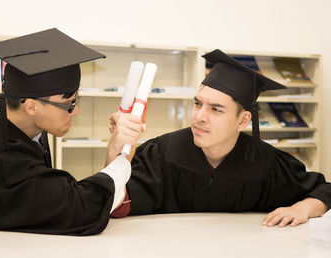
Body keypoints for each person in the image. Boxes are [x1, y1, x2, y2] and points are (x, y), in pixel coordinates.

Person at [0, 28, 144, 235]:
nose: (76, 111)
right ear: (31, 106)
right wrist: (120, 159)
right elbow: (78, 209)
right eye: (69, 104)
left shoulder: (25, 126)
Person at [111, 49, 331, 227]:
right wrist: (117, 150)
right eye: (197, 104)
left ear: (243, 121)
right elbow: (114, 203)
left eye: (216, 109)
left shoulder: (267, 163)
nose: (199, 117)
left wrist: (301, 209)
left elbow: (323, 190)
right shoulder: (162, 153)